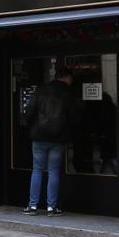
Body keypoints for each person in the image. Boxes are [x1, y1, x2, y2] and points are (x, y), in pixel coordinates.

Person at [23, 69, 76, 216]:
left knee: (37, 170)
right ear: (67, 78)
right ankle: (51, 207)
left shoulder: (41, 90)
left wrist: (33, 127)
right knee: (53, 171)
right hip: (58, 138)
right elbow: (74, 117)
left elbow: (29, 112)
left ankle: (32, 206)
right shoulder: (68, 93)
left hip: (39, 137)